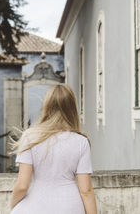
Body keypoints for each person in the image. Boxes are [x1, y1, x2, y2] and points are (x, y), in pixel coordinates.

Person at [10, 84, 97, 214]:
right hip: (71, 207)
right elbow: (86, 191)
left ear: (46, 106)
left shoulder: (30, 136)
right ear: (72, 108)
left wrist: (13, 207)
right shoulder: (81, 142)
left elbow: (22, 185)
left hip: (36, 207)